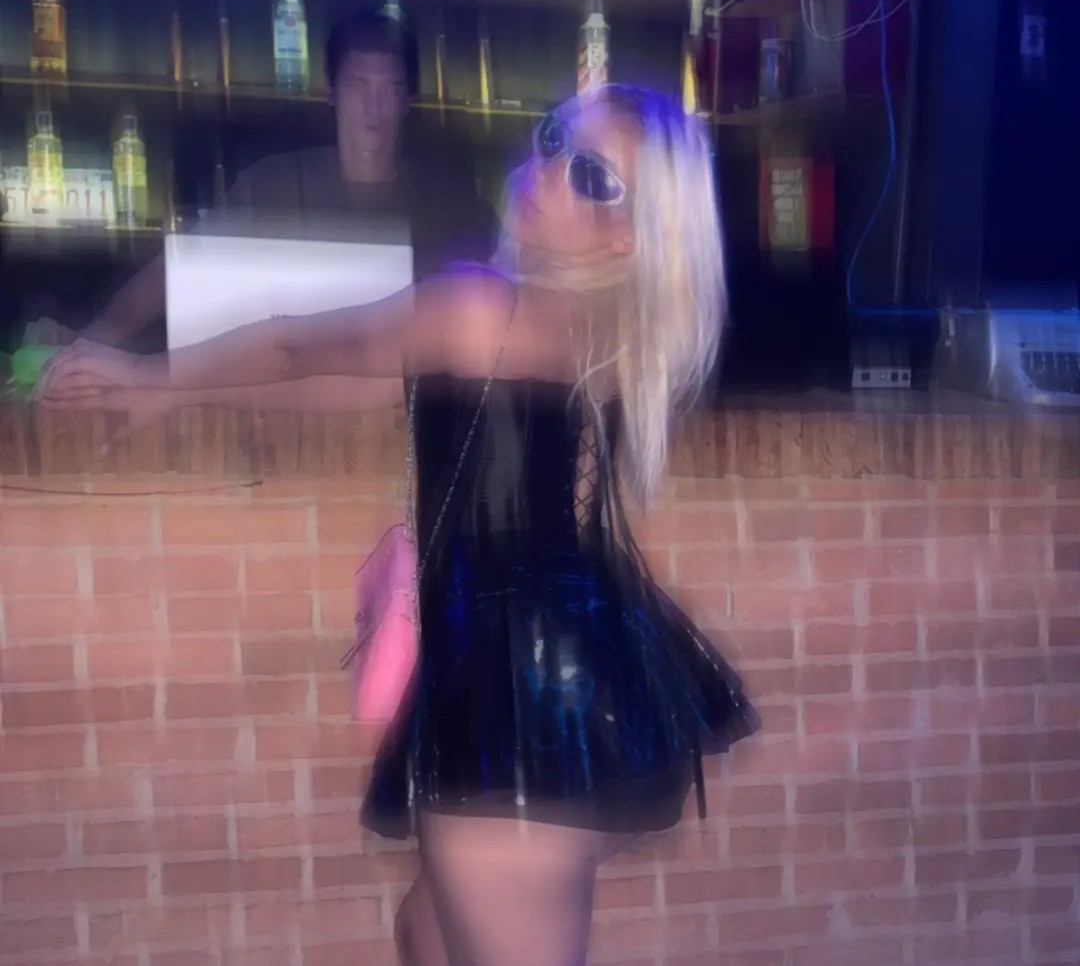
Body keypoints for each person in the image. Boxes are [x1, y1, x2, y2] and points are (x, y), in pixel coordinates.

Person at [39, 84, 758, 966]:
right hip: (574, 666)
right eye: (552, 140)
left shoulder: (480, 306)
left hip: (512, 683)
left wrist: (145, 373)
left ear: (630, 235)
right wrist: (172, 396)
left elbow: (297, 346)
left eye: (591, 177)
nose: (547, 171)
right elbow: (363, 382)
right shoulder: (590, 326)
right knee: (425, 931)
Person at [27, 9, 493, 352]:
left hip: (414, 418)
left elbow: (508, 297)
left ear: (407, 100)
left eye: (388, 90)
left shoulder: (451, 205)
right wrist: (91, 341)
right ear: (331, 90)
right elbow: (178, 269)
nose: (373, 109)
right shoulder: (273, 185)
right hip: (278, 409)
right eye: (358, 86)